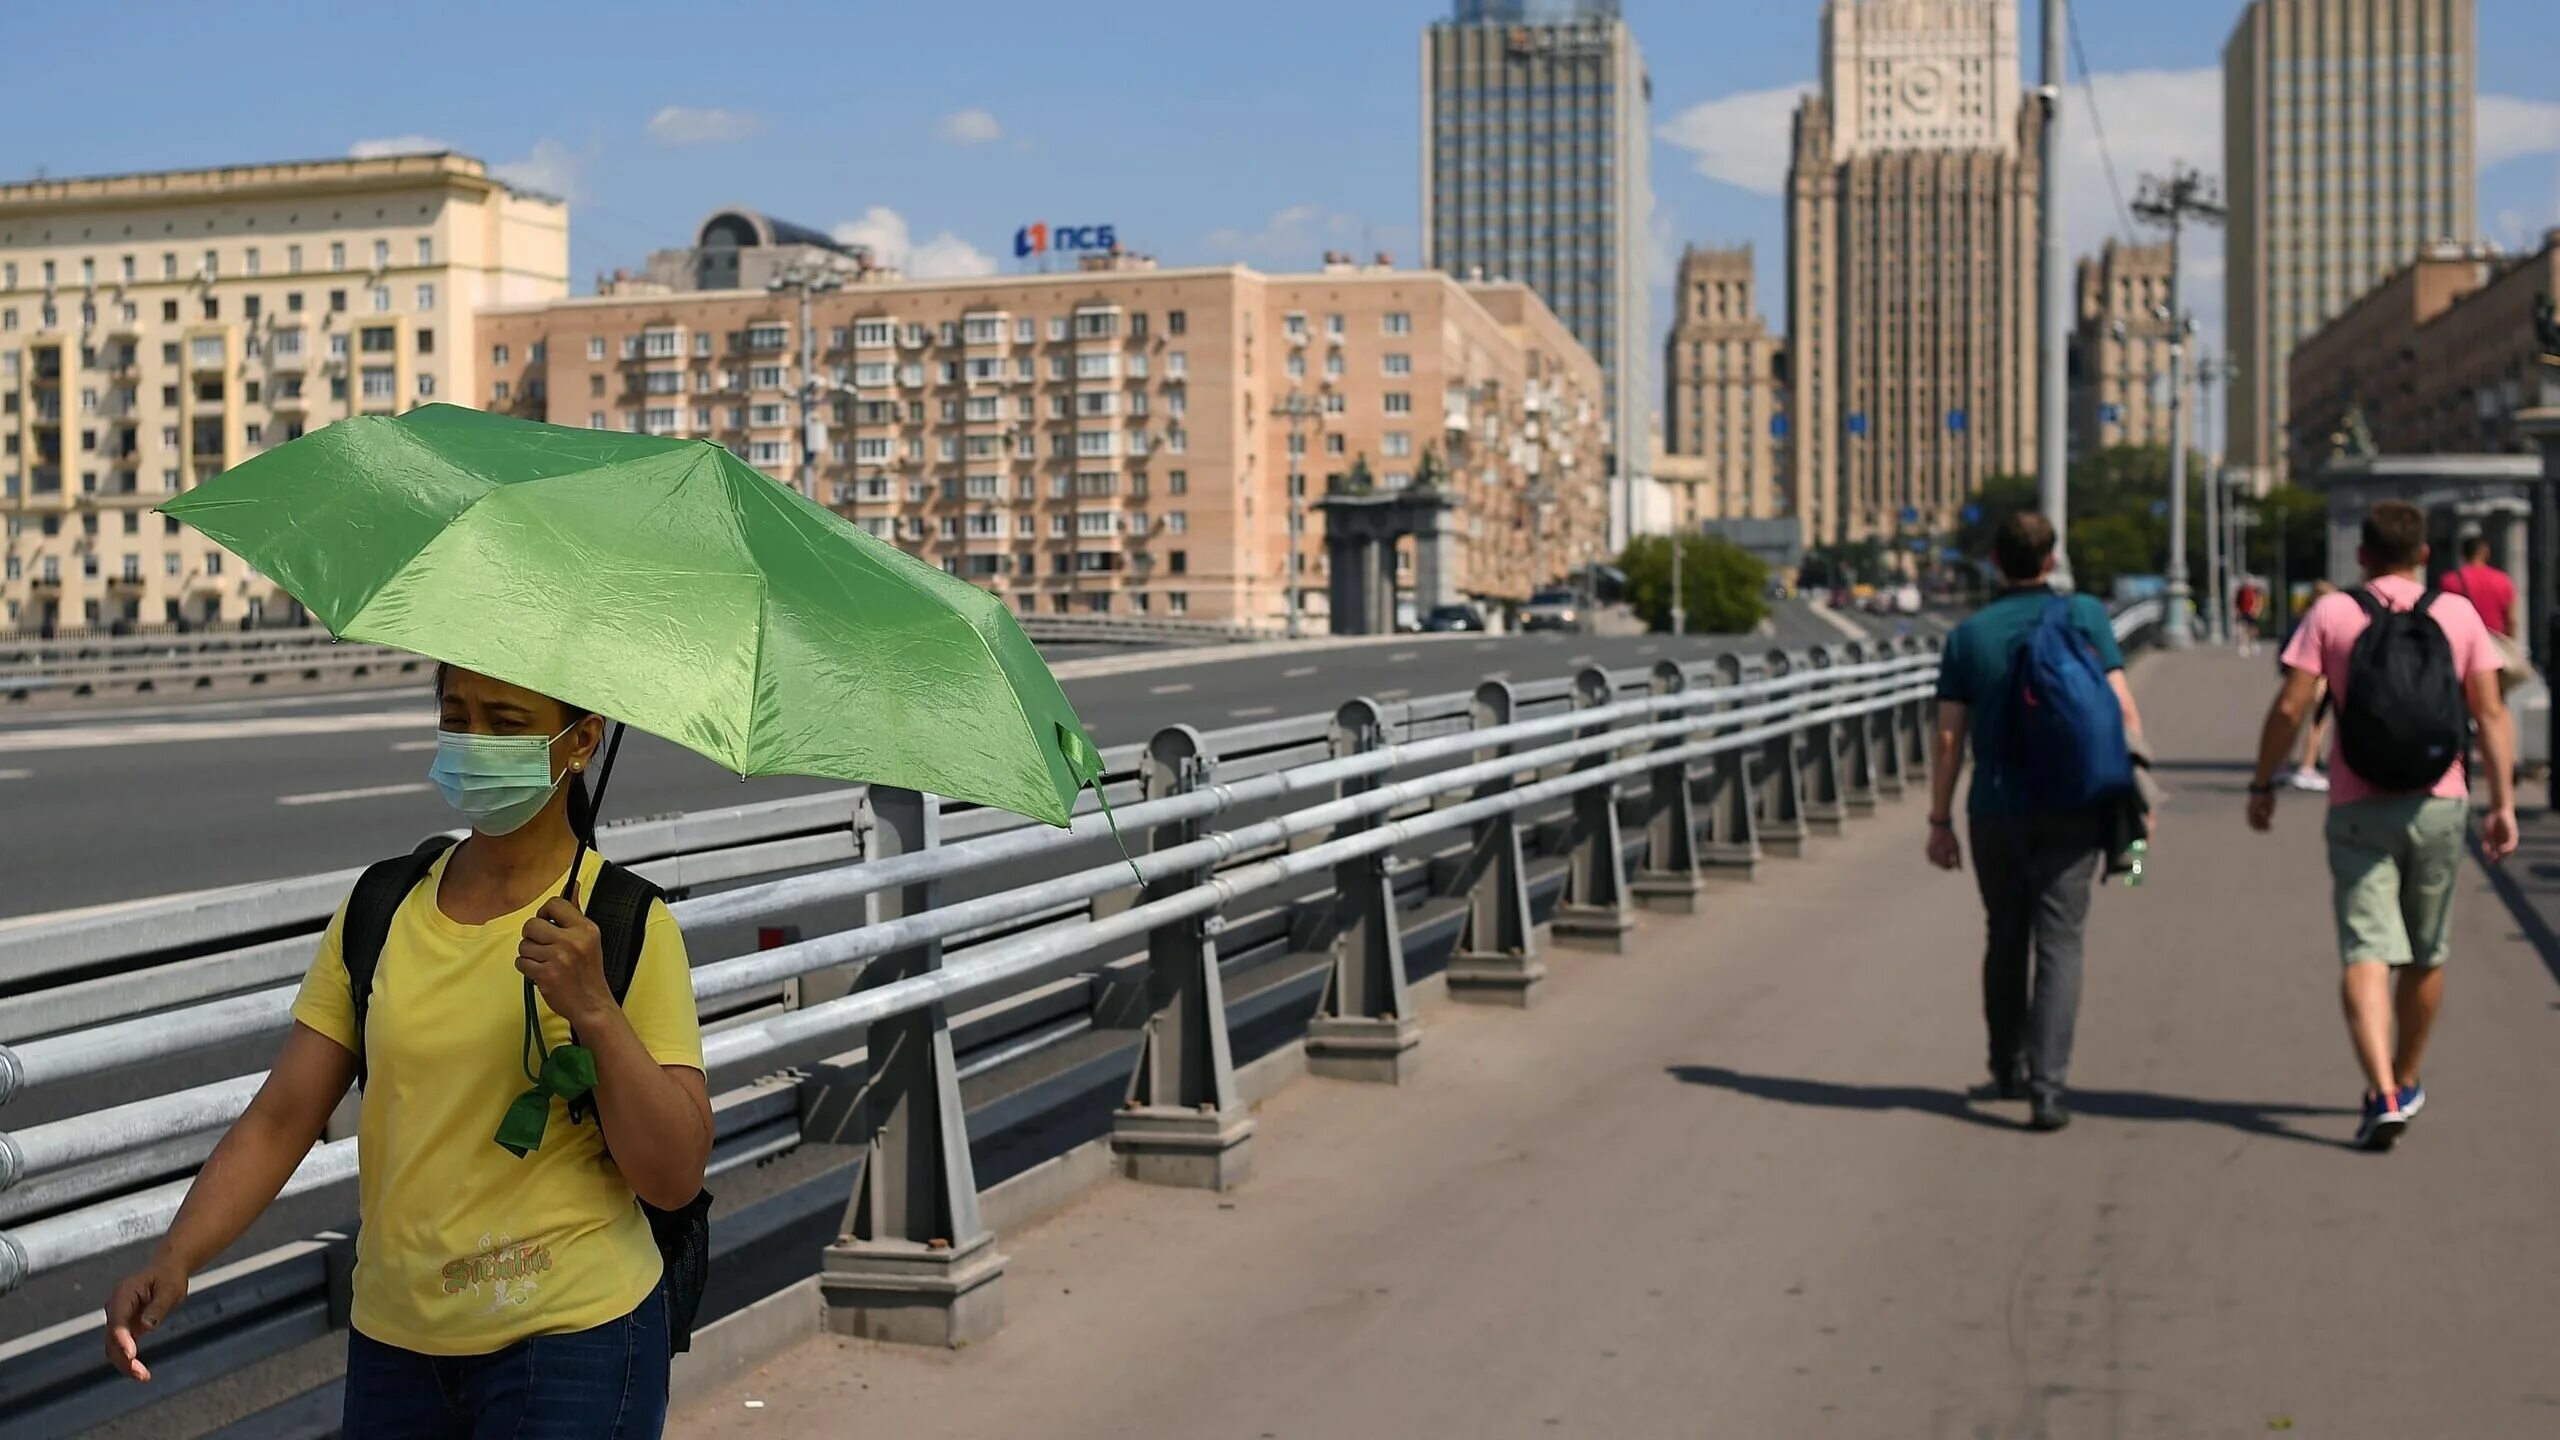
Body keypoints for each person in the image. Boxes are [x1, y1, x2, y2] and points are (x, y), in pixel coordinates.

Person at [105, 666, 710, 1438]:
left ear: (581, 742)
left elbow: (675, 1173)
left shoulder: (626, 926)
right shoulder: (382, 906)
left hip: (573, 1346)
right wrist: (176, 1256)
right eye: (455, 715)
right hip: (396, 1349)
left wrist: (594, 1009)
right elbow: (284, 1116)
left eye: (505, 721)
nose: (473, 742)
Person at [2247, 500, 2517, 1151]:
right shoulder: (2457, 615)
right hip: (2441, 801)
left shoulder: (2333, 612)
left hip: (2357, 803)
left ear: (2361, 555)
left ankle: (2383, 1091)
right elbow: (2489, 712)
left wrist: (2263, 783)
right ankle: (2406, 1074)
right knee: (2426, 953)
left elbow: (2292, 704)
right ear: (2425, 555)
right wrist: (2502, 803)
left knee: (2366, 949)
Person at [1926, 512, 2147, 1132]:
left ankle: (2006, 1067)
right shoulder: (2086, 617)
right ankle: (2048, 1090)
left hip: (1996, 809)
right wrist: (2138, 806)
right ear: (2052, 559)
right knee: (2061, 943)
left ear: (1996, 560)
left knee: (2005, 933)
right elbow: (2123, 708)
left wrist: (1939, 819)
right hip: (2076, 806)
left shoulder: (1968, 635)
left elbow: (1949, 738)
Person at [2276, 580, 2336, 793]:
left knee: (2293, 721)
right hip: (2319, 678)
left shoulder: (2299, 620)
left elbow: (2285, 650)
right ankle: (2307, 767)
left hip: (2295, 677)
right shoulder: (2325, 621)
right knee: (2317, 724)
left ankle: (2283, 764)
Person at [2234, 577, 2265, 658]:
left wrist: (2257, 610)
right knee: (2242, 630)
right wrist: (2237, 610)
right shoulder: (2241, 591)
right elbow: (2237, 601)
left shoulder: (2255, 591)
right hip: (2243, 612)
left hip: (2252, 612)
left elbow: (2259, 601)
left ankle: (2254, 644)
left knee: (2252, 630)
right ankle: (2243, 646)